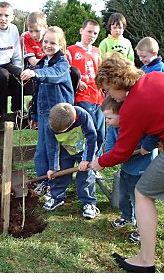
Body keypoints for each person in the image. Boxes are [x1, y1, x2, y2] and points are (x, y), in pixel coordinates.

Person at [91, 54, 164, 273]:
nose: (109, 94)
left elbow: (122, 151)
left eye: (107, 89)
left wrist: (100, 162)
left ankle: (145, 260)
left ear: (115, 82)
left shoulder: (133, 103)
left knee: (142, 192)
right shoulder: (158, 77)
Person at [20, 26, 74, 201]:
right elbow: (36, 93)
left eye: (53, 42)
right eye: (46, 42)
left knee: (57, 151)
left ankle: (57, 185)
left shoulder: (62, 63)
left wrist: (35, 73)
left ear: (61, 44)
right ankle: (43, 180)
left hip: (61, 115)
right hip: (44, 114)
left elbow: (54, 75)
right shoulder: (42, 62)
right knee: (41, 150)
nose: (48, 45)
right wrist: (33, 115)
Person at [101, 96, 159, 242]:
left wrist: (147, 146)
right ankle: (126, 217)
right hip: (126, 167)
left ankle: (142, 228)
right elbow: (109, 148)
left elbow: (153, 132)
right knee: (124, 194)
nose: (106, 121)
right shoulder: (113, 129)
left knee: (139, 199)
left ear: (123, 115)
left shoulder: (137, 124)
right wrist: (110, 157)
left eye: (109, 118)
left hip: (142, 168)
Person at [44, 103, 99, 218]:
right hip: (66, 150)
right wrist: (52, 168)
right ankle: (57, 197)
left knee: (86, 175)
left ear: (73, 121)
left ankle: (89, 202)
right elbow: (51, 148)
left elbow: (92, 137)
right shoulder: (50, 126)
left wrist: (86, 159)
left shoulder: (82, 116)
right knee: (61, 172)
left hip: (85, 149)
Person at [66, 19, 105, 157]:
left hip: (99, 98)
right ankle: (88, 161)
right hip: (83, 97)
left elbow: (101, 72)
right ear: (81, 31)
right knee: (90, 131)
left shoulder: (97, 51)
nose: (92, 35)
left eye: (95, 33)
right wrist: (78, 81)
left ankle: (96, 163)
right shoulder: (71, 51)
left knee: (101, 132)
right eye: (89, 31)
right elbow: (67, 71)